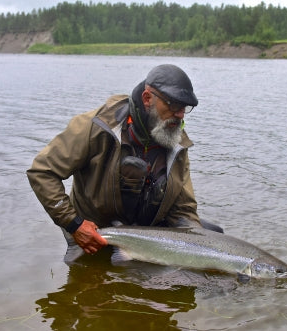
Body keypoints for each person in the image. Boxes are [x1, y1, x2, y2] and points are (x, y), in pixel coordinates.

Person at [27, 64, 221, 264]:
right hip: (96, 233)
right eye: (173, 105)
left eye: (185, 108)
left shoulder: (176, 141)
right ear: (147, 98)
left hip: (147, 234)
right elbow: (42, 172)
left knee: (214, 234)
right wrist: (74, 224)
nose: (180, 115)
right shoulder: (97, 126)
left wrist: (200, 251)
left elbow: (183, 209)